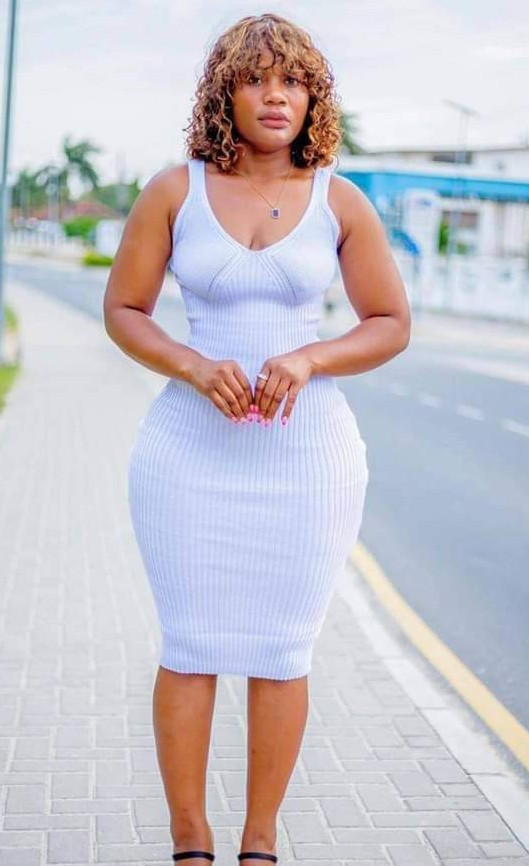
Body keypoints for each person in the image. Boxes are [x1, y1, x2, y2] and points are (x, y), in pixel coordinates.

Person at [103, 13, 410, 865]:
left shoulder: (340, 200)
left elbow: (389, 323)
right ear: (224, 93)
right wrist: (193, 365)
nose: (277, 96)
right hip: (186, 460)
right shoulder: (176, 191)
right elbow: (123, 309)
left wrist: (311, 357)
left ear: (313, 98)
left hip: (308, 464)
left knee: (281, 651)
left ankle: (260, 845)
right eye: (256, 78)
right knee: (191, 644)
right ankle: (190, 843)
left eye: (293, 81)